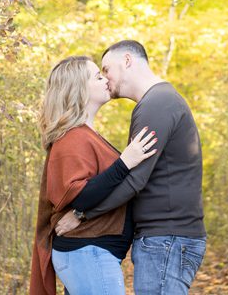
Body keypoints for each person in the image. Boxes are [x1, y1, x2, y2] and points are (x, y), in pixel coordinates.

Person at [55, 40, 206, 294]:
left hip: (166, 239)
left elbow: (134, 181)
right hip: (166, 239)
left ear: (126, 61)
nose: (105, 78)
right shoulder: (158, 102)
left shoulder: (156, 104)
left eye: (106, 69)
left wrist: (81, 215)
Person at [30, 55, 158, 295]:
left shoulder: (85, 134)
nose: (106, 79)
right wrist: (124, 163)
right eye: (98, 76)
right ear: (79, 89)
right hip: (86, 252)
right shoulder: (71, 137)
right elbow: (78, 195)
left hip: (90, 254)